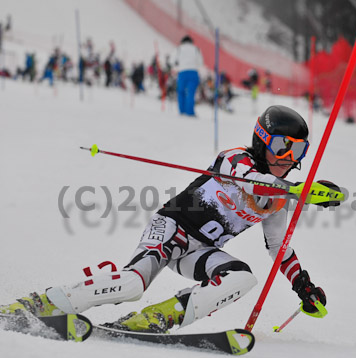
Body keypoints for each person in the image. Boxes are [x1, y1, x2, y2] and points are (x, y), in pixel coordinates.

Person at [0, 106, 338, 333]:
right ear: (262, 141)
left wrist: (302, 286)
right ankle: (41, 303)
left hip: (199, 252)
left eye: (298, 152)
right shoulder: (236, 160)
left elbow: (278, 247)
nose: (288, 158)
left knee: (241, 278)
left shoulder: (279, 198)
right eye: (283, 147)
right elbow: (251, 180)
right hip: (172, 228)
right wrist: (302, 190)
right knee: (132, 285)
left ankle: (156, 318)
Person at [172, 35, 204, 117]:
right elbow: (200, 62)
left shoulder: (178, 49)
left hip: (182, 72)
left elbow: (173, 61)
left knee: (181, 92)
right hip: (193, 72)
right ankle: (190, 112)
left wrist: (178, 66)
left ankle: (182, 111)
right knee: (191, 93)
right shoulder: (196, 49)